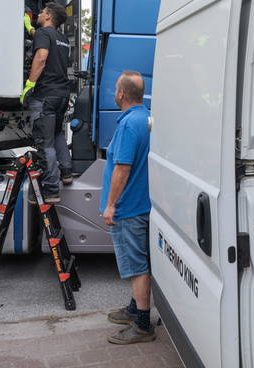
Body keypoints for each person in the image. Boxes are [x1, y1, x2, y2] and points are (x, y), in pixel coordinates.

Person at [100, 70, 155, 344]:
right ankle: (134, 310)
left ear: (121, 94)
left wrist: (110, 205)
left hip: (129, 208)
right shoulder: (146, 118)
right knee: (140, 263)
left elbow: (123, 168)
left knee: (137, 267)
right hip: (142, 203)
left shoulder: (128, 124)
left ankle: (143, 326)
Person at [21, 3, 73, 204]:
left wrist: (29, 84)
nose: (39, 14)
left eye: (42, 12)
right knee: (58, 133)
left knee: (45, 142)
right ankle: (66, 173)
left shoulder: (44, 34)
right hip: (61, 96)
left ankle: (51, 190)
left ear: (49, 16)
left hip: (45, 96)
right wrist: (30, 28)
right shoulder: (61, 38)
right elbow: (41, 38)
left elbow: (41, 58)